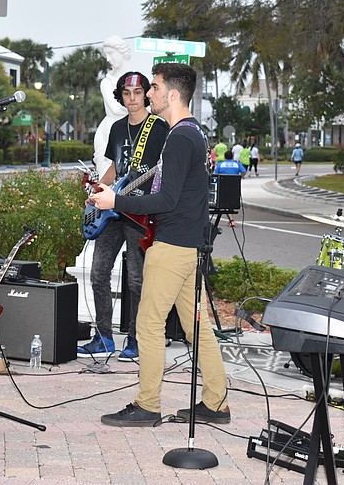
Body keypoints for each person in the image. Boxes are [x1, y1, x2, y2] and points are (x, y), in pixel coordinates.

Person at [90, 63, 230, 427]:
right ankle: (216, 403)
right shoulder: (189, 133)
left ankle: (147, 404)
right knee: (196, 327)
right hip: (185, 247)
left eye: (152, 87)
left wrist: (116, 203)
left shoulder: (181, 138)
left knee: (149, 324)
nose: (147, 94)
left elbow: (165, 200)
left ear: (171, 94)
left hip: (172, 249)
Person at [79, 71, 169, 362]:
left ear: (145, 94)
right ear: (121, 95)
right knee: (98, 272)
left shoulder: (159, 127)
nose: (132, 98)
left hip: (140, 214)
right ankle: (104, 337)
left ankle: (135, 339)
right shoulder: (117, 128)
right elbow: (115, 170)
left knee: (137, 280)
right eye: (127, 93)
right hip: (112, 210)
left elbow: (165, 168)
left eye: (137, 92)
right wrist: (96, 191)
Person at [94, 36, 131, 174]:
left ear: (122, 52)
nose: (108, 59)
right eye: (106, 55)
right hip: (109, 132)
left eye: (111, 53)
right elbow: (116, 109)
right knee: (108, 177)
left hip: (134, 130)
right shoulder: (107, 83)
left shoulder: (141, 79)